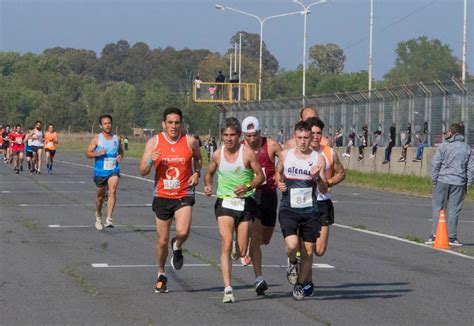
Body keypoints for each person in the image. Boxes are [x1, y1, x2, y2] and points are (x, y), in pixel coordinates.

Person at [139, 107, 202, 294]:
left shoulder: (190, 141)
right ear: (163, 124)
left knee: (182, 231)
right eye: (170, 123)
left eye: (177, 123)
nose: (173, 126)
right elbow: (142, 170)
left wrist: (197, 173)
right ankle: (161, 274)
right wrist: (151, 160)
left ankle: (178, 244)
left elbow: (198, 159)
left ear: (181, 124)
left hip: (184, 193)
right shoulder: (154, 142)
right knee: (161, 240)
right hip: (162, 196)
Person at [204, 117, 264, 303]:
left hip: (245, 203)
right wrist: (207, 185)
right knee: (226, 241)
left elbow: (260, 177)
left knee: (242, 249)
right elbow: (209, 174)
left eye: (232, 135)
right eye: (225, 135)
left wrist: (247, 186)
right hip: (225, 202)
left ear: (239, 136)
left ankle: (237, 252)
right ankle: (228, 288)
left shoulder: (247, 153)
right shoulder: (217, 154)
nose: (229, 138)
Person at [275, 121, 328, 301]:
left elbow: (324, 188)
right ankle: (291, 262)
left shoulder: (318, 159)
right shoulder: (285, 155)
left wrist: (318, 177)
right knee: (291, 246)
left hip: (310, 210)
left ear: (311, 138)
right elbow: (278, 171)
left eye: (307, 138)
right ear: (295, 137)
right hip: (288, 208)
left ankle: (300, 284)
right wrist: (278, 181)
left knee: (309, 250)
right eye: (300, 138)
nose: (304, 141)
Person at [303, 117, 345, 296]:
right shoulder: (298, 153)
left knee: (319, 250)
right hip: (303, 203)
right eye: (311, 133)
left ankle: (299, 259)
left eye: (318, 133)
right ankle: (307, 281)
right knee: (309, 248)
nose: (315, 136)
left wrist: (329, 182)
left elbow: (341, 173)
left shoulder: (329, 153)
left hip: (323, 202)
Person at [240, 116, 282, 296]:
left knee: (265, 238)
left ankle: (246, 238)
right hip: (250, 195)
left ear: (260, 133)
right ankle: (259, 278)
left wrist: (280, 172)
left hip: (269, 195)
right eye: (248, 136)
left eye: (254, 135)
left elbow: (286, 159)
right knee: (256, 236)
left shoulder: (271, 145)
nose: (251, 139)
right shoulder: (240, 148)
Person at [425, 123, 473, 247]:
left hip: (442, 180)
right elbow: (470, 168)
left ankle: (435, 235)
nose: (445, 134)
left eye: (447, 132)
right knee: (454, 209)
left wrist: (434, 180)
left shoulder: (443, 146)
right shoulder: (467, 148)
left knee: (438, 208)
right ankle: (452, 236)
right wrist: (468, 183)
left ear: (452, 133)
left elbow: (436, 164)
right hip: (459, 181)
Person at [86, 114, 123, 231]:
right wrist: (97, 154)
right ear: (101, 125)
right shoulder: (97, 139)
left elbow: (121, 151)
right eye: (105, 123)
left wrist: (120, 156)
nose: (108, 125)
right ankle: (98, 215)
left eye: (109, 123)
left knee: (112, 191)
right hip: (100, 171)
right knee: (100, 197)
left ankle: (109, 219)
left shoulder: (116, 138)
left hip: (113, 169)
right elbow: (88, 153)